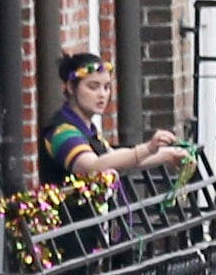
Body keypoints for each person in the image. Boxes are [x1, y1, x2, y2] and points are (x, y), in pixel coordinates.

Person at [42, 49, 191, 191]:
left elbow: (115, 158)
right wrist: (148, 148)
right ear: (70, 87)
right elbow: (93, 167)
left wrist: (167, 154)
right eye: (93, 87)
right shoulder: (61, 132)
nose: (102, 94)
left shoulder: (88, 130)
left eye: (106, 87)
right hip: (74, 217)